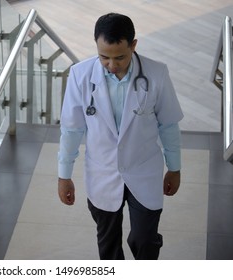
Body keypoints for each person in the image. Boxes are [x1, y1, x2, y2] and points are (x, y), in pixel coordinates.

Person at [57, 12, 183, 260]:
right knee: (108, 245)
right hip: (102, 172)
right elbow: (71, 130)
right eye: (104, 57)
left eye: (120, 57)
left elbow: (168, 125)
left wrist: (175, 168)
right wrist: (64, 175)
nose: (112, 65)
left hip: (144, 170)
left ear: (133, 45)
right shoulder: (80, 75)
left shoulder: (156, 74)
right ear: (96, 46)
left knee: (145, 240)